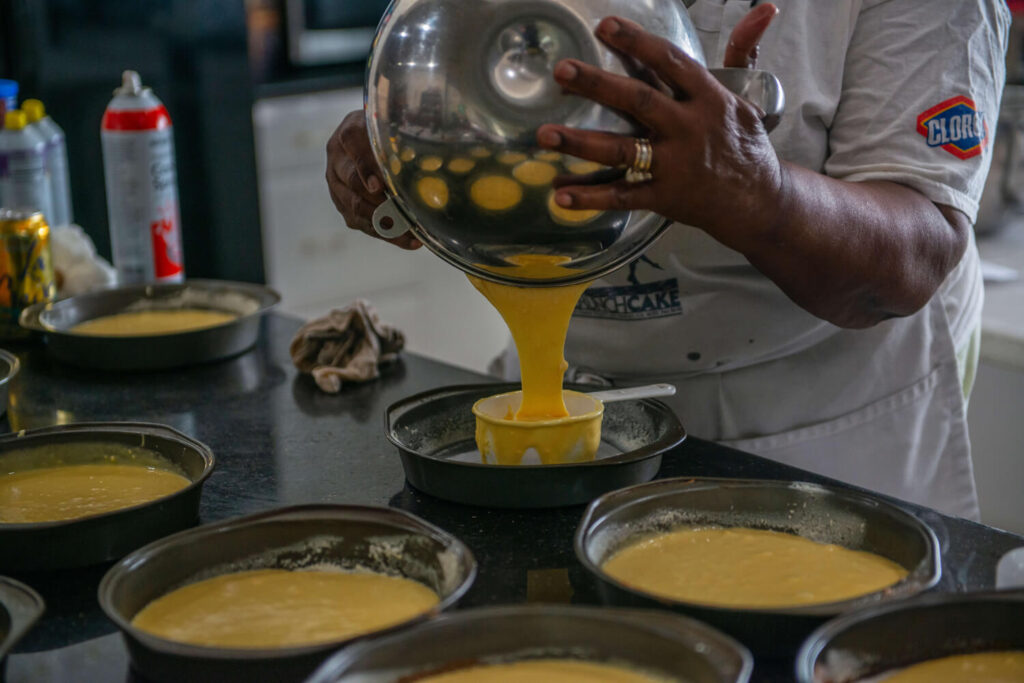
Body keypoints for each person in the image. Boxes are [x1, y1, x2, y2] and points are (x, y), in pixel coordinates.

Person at [326, 0, 1011, 520]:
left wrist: (760, 195)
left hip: (817, 414)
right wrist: (407, 126)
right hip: (578, 384)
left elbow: (910, 258)